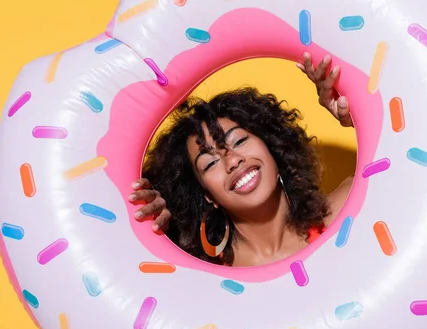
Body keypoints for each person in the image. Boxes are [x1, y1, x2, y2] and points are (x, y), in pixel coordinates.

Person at [129, 53, 355, 266]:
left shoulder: (346, 210)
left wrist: (355, 116)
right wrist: (151, 232)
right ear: (208, 196)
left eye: (238, 142)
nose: (233, 161)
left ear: (273, 148)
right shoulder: (200, 276)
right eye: (210, 163)